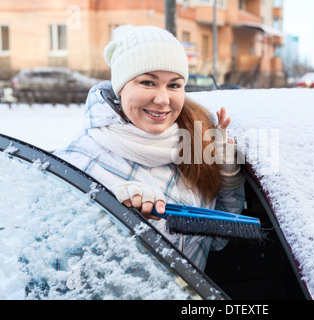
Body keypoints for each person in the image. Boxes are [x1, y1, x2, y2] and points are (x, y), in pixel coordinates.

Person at [55, 25, 245, 271]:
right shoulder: (75, 162)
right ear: (121, 86)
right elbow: (59, 264)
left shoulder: (192, 145)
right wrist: (112, 214)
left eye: (174, 85)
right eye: (147, 82)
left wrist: (227, 172)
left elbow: (217, 240)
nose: (163, 99)